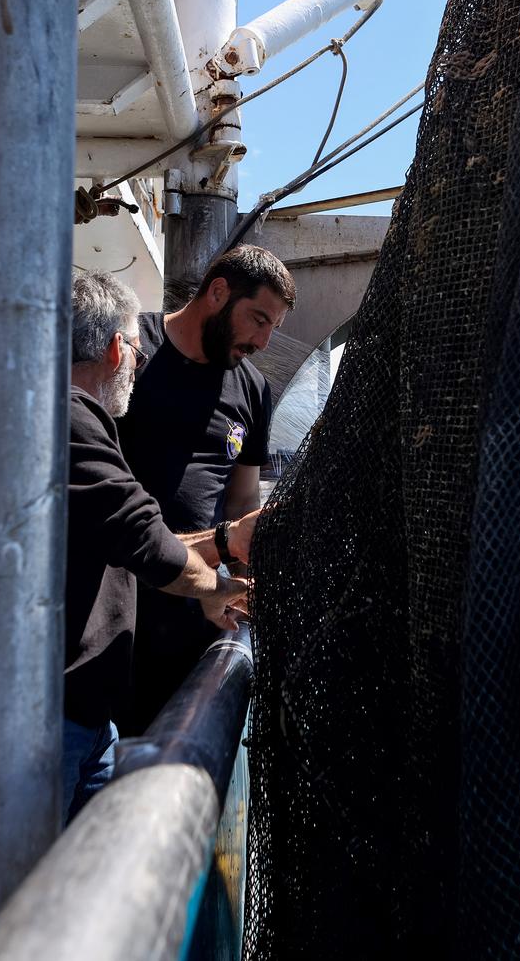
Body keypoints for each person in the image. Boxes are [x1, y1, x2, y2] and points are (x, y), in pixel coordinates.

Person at [64, 270, 256, 818]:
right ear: (114, 347)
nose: (138, 365)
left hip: (88, 711)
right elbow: (140, 532)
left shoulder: (69, 416)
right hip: (56, 716)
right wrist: (214, 586)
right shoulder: (74, 419)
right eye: (134, 353)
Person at [115, 245, 295, 733]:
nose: (262, 340)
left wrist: (241, 584)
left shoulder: (253, 389)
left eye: (272, 329)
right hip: (114, 616)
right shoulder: (132, 349)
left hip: (198, 615)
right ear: (218, 292)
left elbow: (241, 501)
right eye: (258, 319)